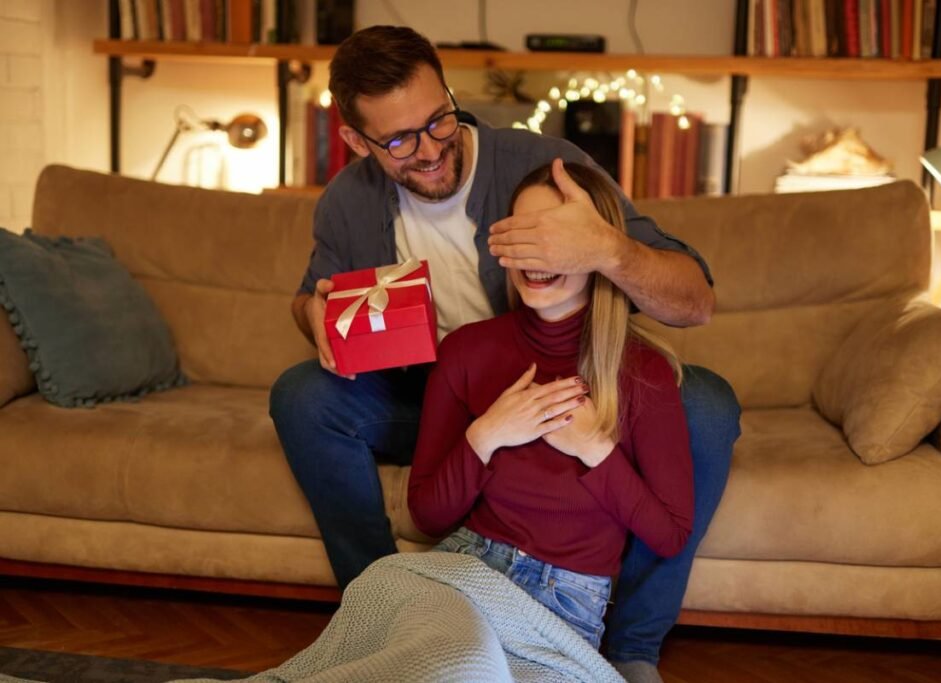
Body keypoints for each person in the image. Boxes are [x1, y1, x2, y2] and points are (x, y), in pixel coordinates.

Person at [269, 24, 741, 681]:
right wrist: (314, 315)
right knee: (301, 395)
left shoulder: (540, 167)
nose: (432, 150)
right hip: (432, 394)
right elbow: (305, 299)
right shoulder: (348, 203)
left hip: (564, 386)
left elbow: (696, 298)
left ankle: (631, 646)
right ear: (355, 140)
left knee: (709, 404)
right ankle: (373, 605)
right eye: (401, 140)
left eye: (440, 120)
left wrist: (605, 248)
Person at [408, 161, 694, 651]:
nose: (535, 257)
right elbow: (427, 516)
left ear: (596, 251)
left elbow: (669, 536)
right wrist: (487, 434)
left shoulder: (642, 371)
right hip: (467, 567)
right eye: (524, 236)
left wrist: (595, 450)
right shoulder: (466, 351)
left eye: (555, 238)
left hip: (568, 595)